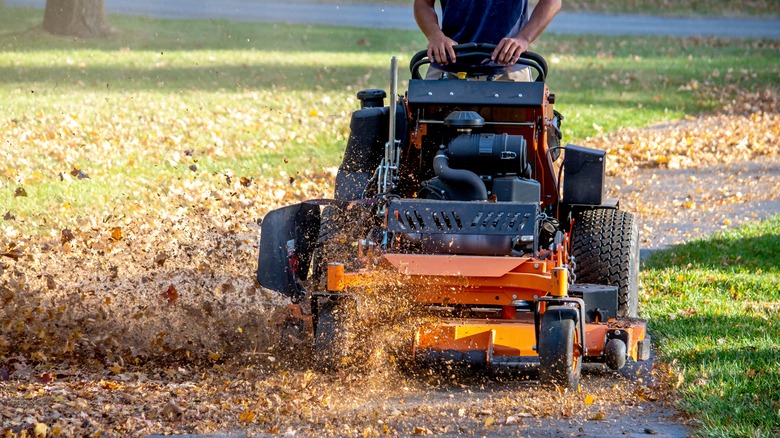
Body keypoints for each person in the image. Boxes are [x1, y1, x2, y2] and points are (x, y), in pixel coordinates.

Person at [414, 0, 561, 78]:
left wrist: (523, 38)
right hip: (447, 68)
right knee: (425, 132)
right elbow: (423, 3)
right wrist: (435, 35)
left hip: (508, 71)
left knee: (520, 135)